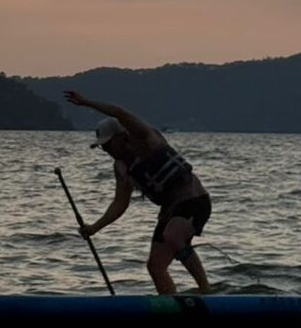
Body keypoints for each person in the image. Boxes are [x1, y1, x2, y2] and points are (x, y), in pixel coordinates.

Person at [64, 90, 213, 295]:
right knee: (155, 266)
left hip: (194, 200)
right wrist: (94, 227)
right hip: (170, 210)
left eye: (108, 144)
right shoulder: (121, 168)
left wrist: (86, 102)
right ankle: (170, 304)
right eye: (102, 147)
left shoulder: (146, 139)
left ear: (120, 136)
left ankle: (206, 291)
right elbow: (120, 204)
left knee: (172, 235)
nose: (106, 150)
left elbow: (120, 112)